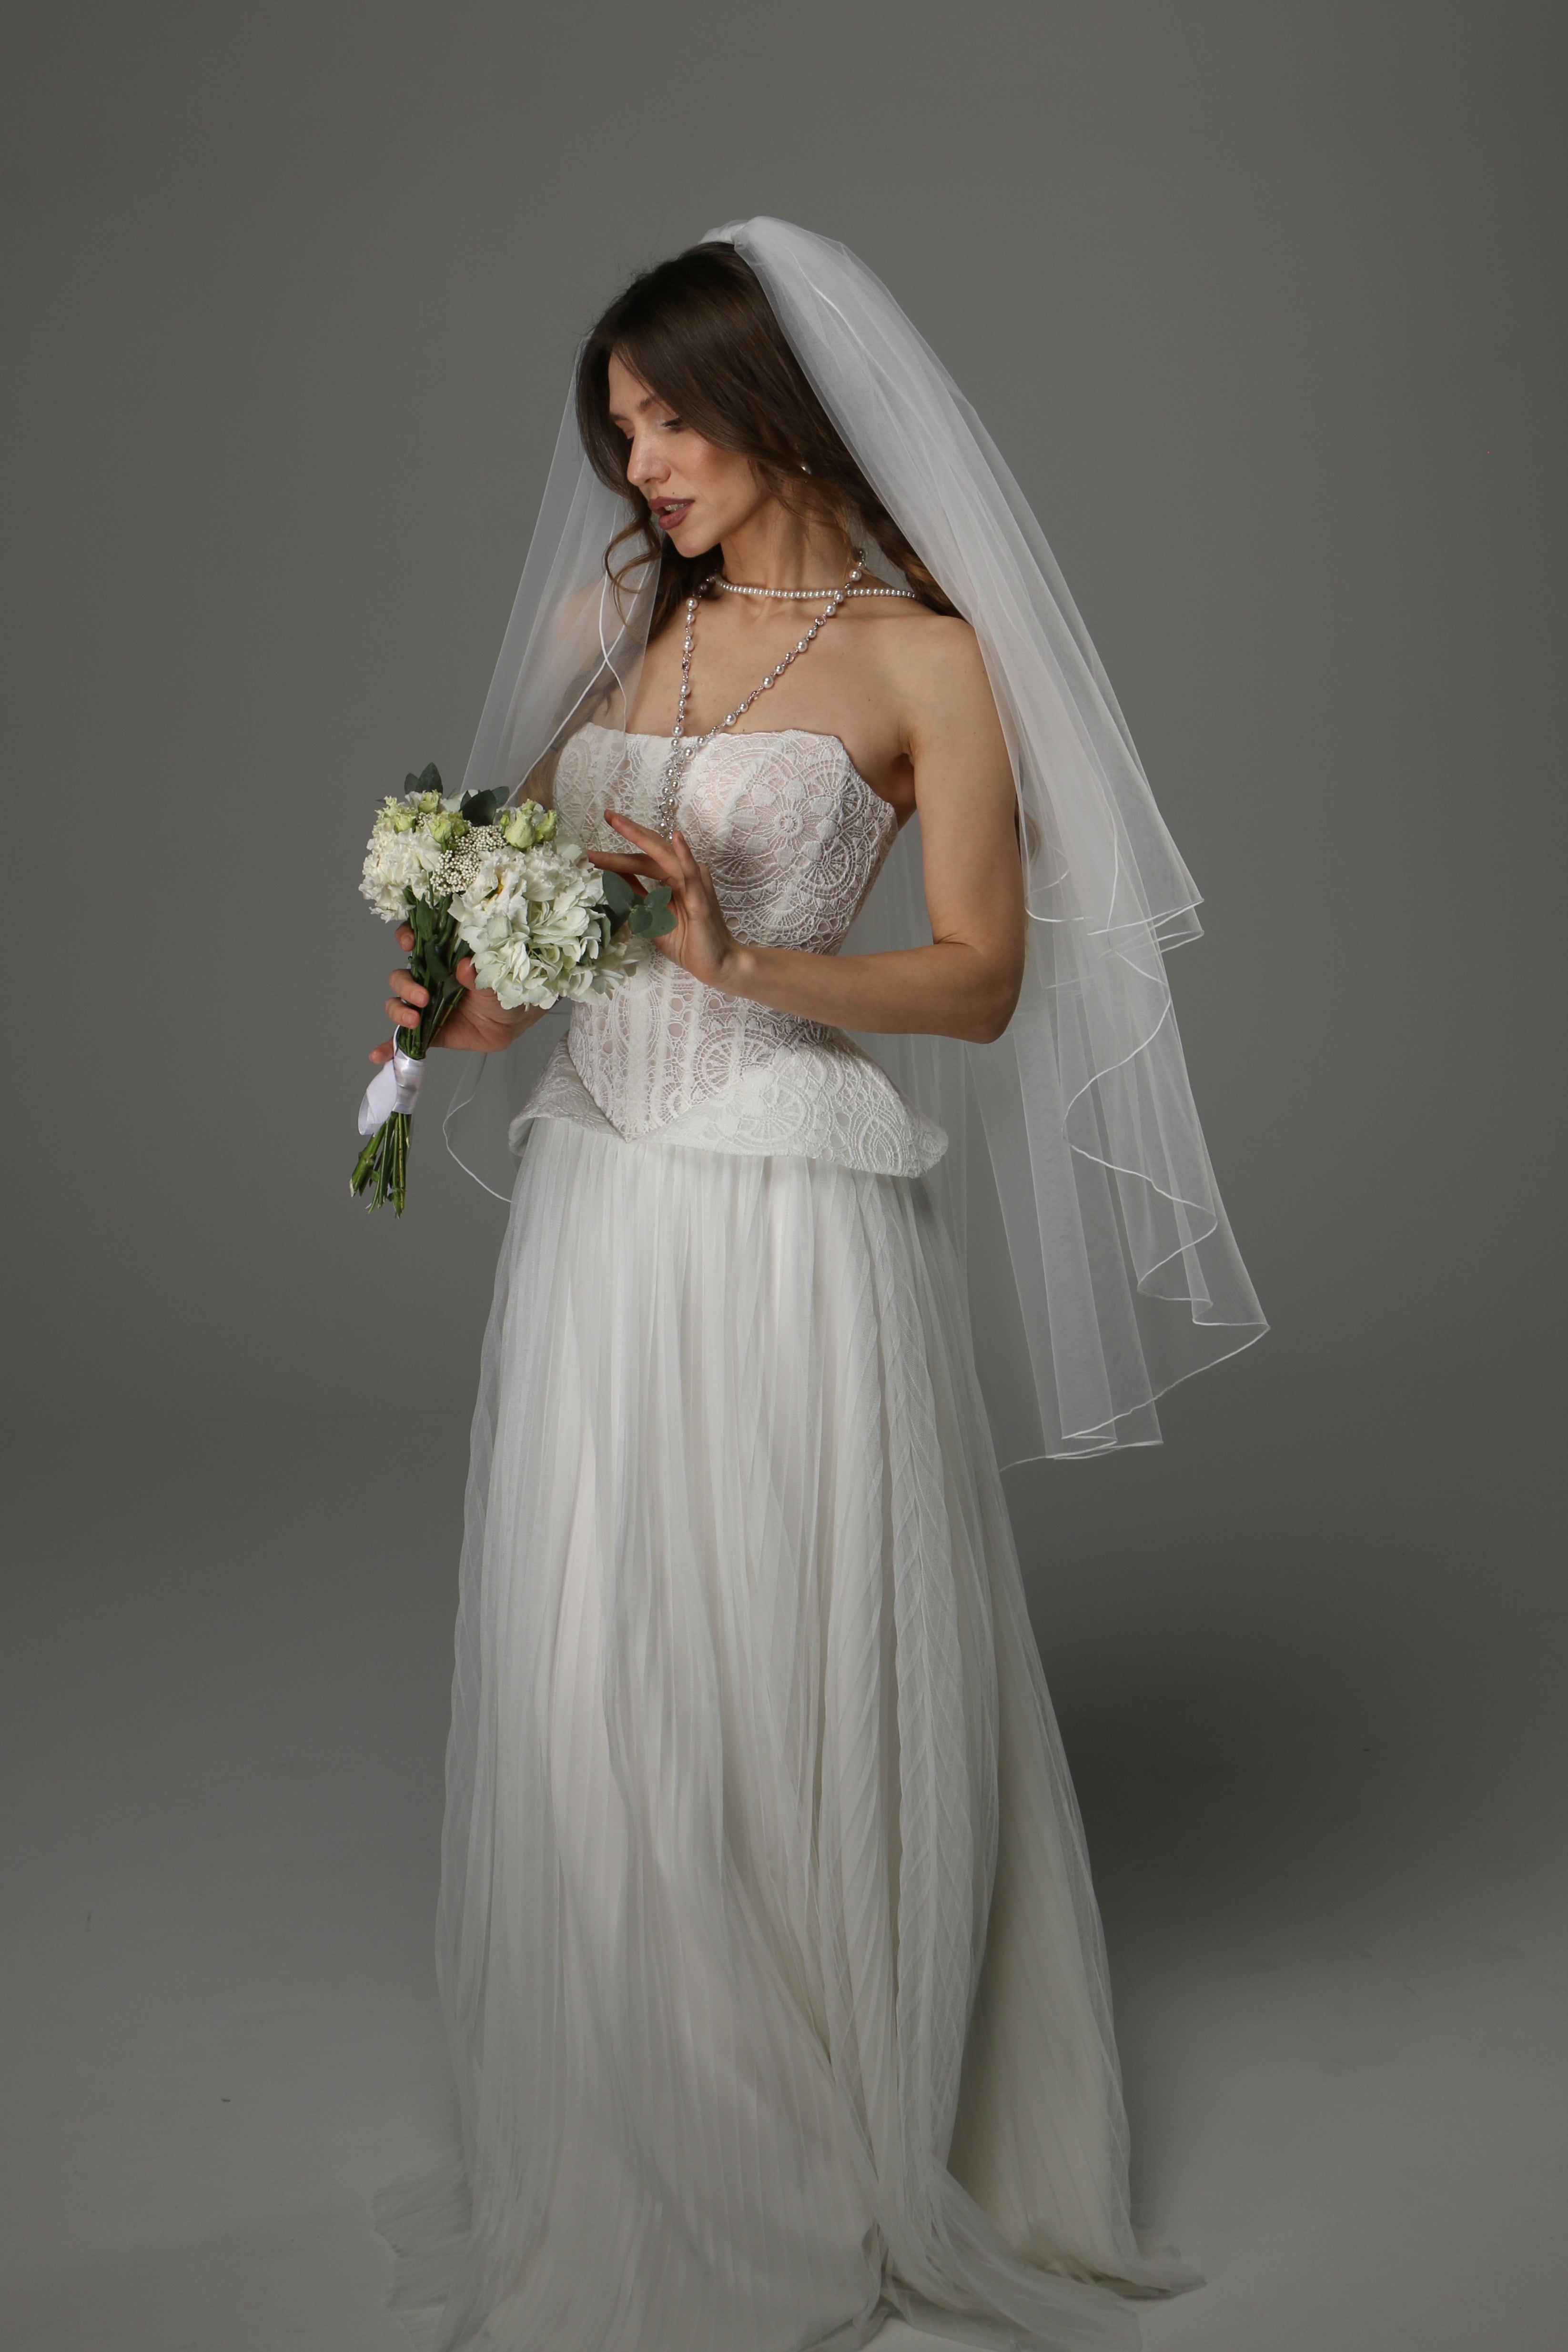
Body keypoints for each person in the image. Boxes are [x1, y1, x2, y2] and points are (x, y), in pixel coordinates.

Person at [368, 222, 1264, 2352]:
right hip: (601, 1197)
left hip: (787, 1207)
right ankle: (653, 2106)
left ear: (771, 405)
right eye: (618, 434)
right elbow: (531, 951)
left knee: (781, 1641)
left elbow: (981, 979)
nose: (640, 467)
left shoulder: (929, 660)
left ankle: (827, 2109)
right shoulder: (613, 621)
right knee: (599, 1658)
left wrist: (743, 958)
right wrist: (457, 998)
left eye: (667, 421)